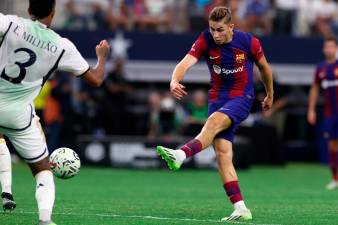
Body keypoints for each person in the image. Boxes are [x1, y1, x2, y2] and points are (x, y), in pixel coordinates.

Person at [156, 6, 273, 221]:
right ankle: (240, 208)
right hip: (217, 98)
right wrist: (174, 80)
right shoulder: (205, 39)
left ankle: (181, 155)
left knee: (212, 123)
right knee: (222, 154)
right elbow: (185, 63)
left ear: (231, 27)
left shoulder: (249, 42)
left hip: (241, 98)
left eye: (220, 30)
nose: (216, 35)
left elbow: (265, 68)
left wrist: (269, 95)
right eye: (212, 30)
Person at [0, 0, 110, 224]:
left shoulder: (9, 23)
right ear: (53, 13)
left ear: (29, 10)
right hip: (18, 117)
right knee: (42, 168)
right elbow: (96, 80)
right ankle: (45, 219)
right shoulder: (62, 46)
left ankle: (8, 193)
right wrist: (102, 58)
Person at [307, 37, 338, 190]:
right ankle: (335, 178)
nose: (329, 50)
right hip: (330, 113)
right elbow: (314, 89)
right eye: (327, 47)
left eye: (332, 47)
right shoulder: (321, 68)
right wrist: (311, 110)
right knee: (332, 143)